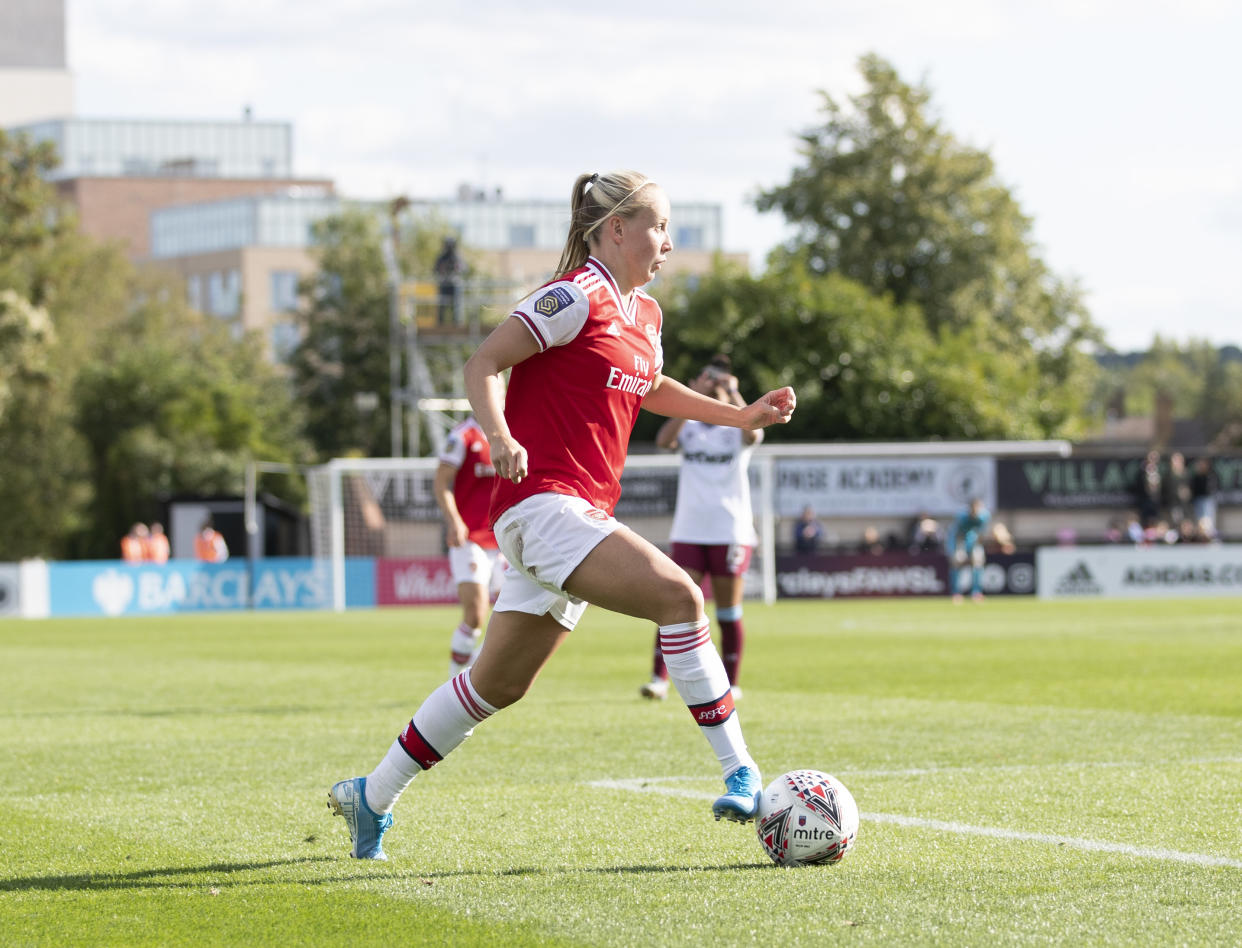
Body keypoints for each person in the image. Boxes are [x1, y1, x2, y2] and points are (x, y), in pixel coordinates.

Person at [328, 170, 796, 860]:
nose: (668, 240)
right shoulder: (573, 296)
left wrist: (738, 415)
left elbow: (652, 388)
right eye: (658, 226)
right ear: (614, 231)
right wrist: (499, 435)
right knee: (679, 597)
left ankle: (370, 797)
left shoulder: (646, 315)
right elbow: (483, 363)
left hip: (570, 515)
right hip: (541, 506)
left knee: (497, 684)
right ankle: (739, 769)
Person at [639, 354, 761, 703]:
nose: (714, 383)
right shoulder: (689, 426)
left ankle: (731, 682)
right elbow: (664, 441)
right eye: (708, 378)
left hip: (730, 531)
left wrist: (733, 393)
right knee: (674, 603)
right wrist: (691, 401)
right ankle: (658, 679)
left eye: (720, 378)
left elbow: (754, 434)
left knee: (727, 611)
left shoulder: (737, 427)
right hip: (690, 530)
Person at [433, 414, 502, 677]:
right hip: (470, 538)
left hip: (505, 538)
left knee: (512, 613)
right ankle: (453, 677)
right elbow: (441, 482)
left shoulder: (512, 429)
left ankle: (474, 671)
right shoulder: (463, 436)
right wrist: (454, 521)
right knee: (475, 614)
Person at [948, 497, 991, 603]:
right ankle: (956, 593)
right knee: (957, 563)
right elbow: (956, 534)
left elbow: (981, 533)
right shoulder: (962, 517)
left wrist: (976, 545)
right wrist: (955, 549)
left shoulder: (984, 516)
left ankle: (976, 592)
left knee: (977, 564)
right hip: (959, 540)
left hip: (973, 540)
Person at [433, 236, 464, 326]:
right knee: (442, 304)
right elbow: (435, 269)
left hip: (455, 284)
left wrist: (457, 269)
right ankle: (440, 323)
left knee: (456, 305)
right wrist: (442, 270)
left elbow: (462, 268)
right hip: (444, 284)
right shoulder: (441, 258)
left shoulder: (457, 257)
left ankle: (456, 324)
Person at [1161, 451, 1191, 526]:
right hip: (1173, 505)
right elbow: (1165, 491)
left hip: (1184, 506)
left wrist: (1187, 493)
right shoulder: (1168, 476)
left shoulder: (1186, 474)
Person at [1190, 456, 1219, 533]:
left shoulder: (1211, 475)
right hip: (1198, 500)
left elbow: (1212, 488)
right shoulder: (1196, 476)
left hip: (1208, 500)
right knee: (1199, 520)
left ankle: (1209, 535)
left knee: (1209, 520)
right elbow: (1194, 489)